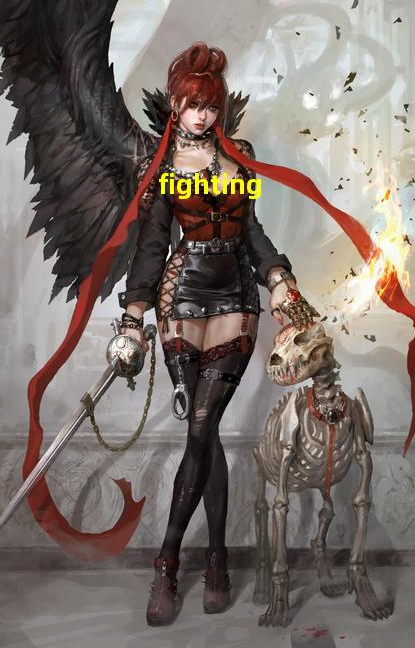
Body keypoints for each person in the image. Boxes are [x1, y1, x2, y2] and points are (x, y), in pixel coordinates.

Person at [117, 41, 301, 625]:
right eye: (193, 105)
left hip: (235, 297)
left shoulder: (240, 159)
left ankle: (167, 563)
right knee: (207, 433)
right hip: (180, 298)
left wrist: (278, 279)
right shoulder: (161, 168)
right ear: (175, 104)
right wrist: (133, 320)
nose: (203, 115)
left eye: (211, 106)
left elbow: (252, 232)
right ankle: (217, 558)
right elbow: (151, 248)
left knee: (201, 424)